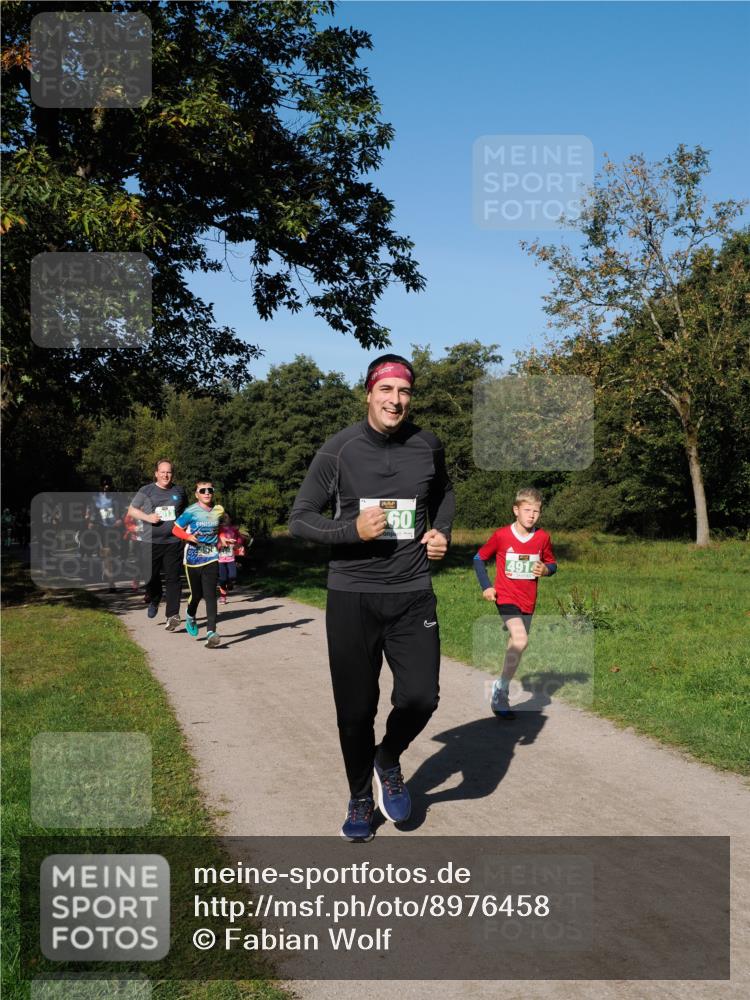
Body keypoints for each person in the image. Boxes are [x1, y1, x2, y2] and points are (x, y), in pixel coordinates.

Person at [289, 353, 455, 842]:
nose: (396, 400)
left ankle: (388, 757)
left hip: (412, 593)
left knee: (422, 696)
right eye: (387, 390)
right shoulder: (340, 450)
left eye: (404, 391)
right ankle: (361, 796)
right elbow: (300, 517)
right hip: (352, 596)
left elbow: (444, 491)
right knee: (356, 710)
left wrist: (440, 531)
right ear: (368, 393)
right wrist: (350, 530)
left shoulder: (427, 445)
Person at [473, 487, 557, 720]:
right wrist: (487, 587)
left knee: (516, 646)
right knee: (521, 639)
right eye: (527, 510)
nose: (532, 515)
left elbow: (552, 563)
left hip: (528, 601)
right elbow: (479, 559)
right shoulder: (502, 535)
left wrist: (546, 570)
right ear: (516, 510)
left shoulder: (542, 538)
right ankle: (501, 690)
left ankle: (500, 692)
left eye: (536, 511)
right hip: (506, 597)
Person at [127, 460, 188, 630]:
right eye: (162, 472)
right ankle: (155, 598)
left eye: (168, 472)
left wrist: (186, 529)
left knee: (173, 578)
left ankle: (173, 615)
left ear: (172, 474)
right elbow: (132, 510)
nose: (165, 475)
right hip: (149, 541)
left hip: (173, 541)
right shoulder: (146, 490)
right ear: (156, 473)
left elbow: (185, 513)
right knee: (150, 576)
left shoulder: (179, 491)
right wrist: (148, 518)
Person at [171, 480, 223, 648]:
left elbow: (218, 530)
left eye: (210, 490)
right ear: (197, 494)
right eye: (203, 490)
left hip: (212, 556)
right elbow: (175, 528)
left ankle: (211, 632)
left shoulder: (218, 510)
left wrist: (223, 539)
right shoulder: (191, 511)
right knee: (197, 594)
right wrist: (187, 537)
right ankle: (190, 615)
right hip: (193, 558)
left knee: (210, 595)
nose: (207, 493)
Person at [85, 475, 122, 591]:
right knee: (107, 554)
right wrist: (90, 521)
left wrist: (120, 519)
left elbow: (122, 511)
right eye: (104, 485)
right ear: (100, 486)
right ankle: (111, 582)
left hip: (115, 529)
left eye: (108, 485)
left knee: (115, 554)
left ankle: (108, 572)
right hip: (102, 528)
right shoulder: (95, 498)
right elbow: (91, 511)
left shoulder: (116, 497)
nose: (106, 488)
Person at [217, 513, 247, 604]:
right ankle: (223, 597)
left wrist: (238, 544)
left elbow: (240, 538)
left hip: (231, 558)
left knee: (233, 576)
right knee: (222, 579)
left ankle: (230, 582)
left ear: (230, 519)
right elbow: (213, 540)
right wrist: (220, 544)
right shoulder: (217, 529)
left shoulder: (233, 530)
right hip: (220, 559)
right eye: (224, 518)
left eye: (227, 518)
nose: (226, 520)